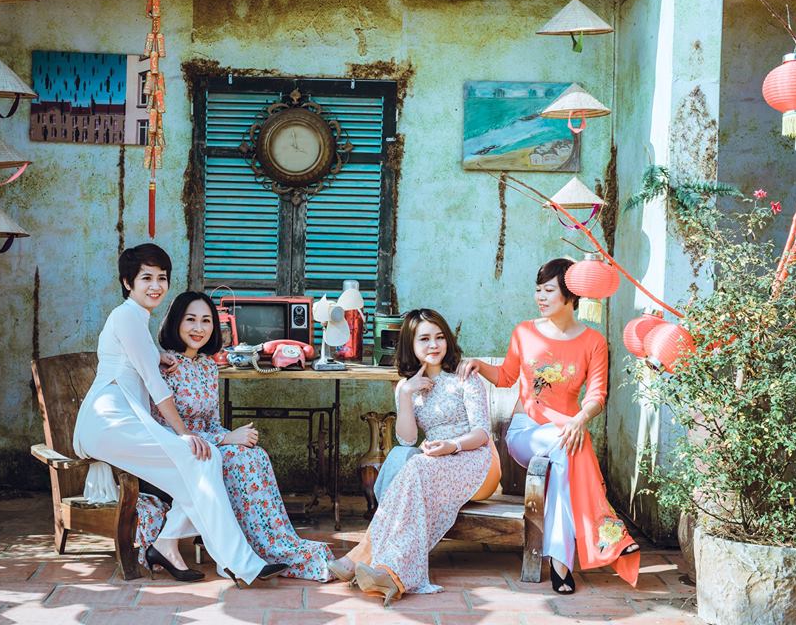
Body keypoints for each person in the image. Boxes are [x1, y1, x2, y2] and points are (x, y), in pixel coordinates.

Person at [71, 244, 287, 584]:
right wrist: (184, 433)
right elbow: (155, 385)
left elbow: (137, 357)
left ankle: (172, 546)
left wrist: (157, 354)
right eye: (146, 278)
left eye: (162, 278)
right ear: (128, 282)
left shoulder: (136, 321)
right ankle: (239, 563)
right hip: (108, 422)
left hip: (123, 421)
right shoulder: (126, 316)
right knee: (196, 457)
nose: (156, 286)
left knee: (202, 463)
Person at [458, 257, 640, 593]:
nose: (540, 297)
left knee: (565, 461)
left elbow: (597, 395)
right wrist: (479, 364)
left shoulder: (593, 342)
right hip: (525, 433)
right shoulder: (524, 332)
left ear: (571, 295)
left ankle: (560, 563)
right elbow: (506, 377)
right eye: (538, 290)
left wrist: (580, 419)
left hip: (565, 435)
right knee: (573, 443)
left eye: (548, 290)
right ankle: (609, 533)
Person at [142, 290, 335, 581]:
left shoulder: (208, 366)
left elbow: (212, 422)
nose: (198, 328)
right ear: (175, 322)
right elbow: (161, 426)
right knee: (237, 459)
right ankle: (237, 557)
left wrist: (233, 436)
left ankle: (270, 546)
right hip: (174, 450)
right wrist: (225, 440)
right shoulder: (163, 366)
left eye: (206, 321)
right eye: (190, 320)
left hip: (205, 446)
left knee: (254, 455)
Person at [327, 309, 493, 604]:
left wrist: (452, 445)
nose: (434, 345)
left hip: (474, 458)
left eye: (439, 337)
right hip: (436, 461)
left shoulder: (464, 377)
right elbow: (406, 440)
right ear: (410, 345)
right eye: (424, 339)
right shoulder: (407, 387)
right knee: (407, 461)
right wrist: (405, 395)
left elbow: (482, 433)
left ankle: (361, 557)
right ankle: (389, 572)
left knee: (415, 466)